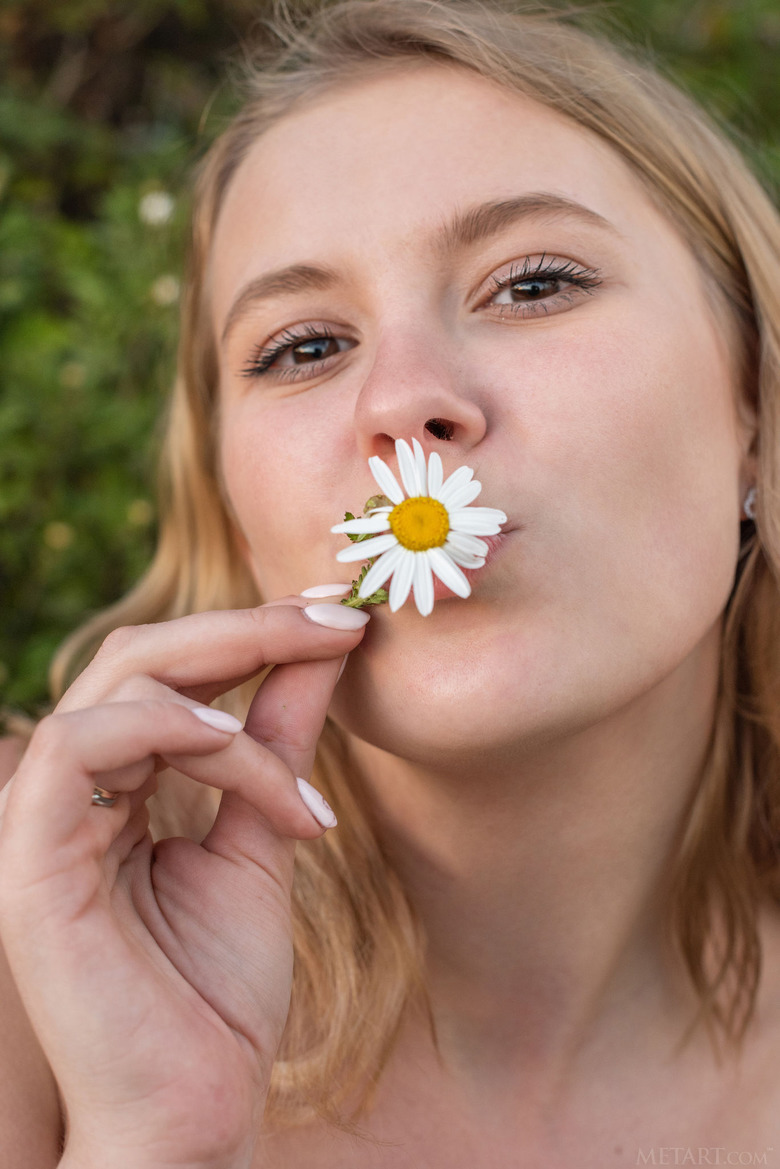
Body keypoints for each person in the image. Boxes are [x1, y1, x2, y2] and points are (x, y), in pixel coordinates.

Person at [2, 0, 780, 1163]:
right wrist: (144, 1138)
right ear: (233, 505)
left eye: (531, 284)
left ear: (756, 415)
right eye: (305, 347)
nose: (401, 405)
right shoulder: (36, 914)